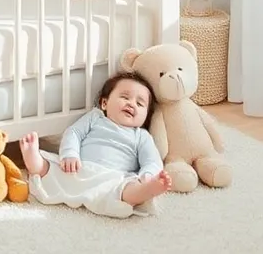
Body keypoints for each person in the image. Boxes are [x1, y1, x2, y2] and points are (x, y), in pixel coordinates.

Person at [18, 72, 173, 218]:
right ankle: (37, 164)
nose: (131, 104)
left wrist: (147, 176)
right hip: (79, 168)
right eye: (125, 97)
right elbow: (74, 133)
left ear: (146, 116)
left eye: (139, 103)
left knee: (126, 190)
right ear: (104, 103)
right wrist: (70, 154)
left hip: (112, 178)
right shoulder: (95, 117)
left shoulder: (141, 136)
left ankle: (147, 190)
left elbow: (152, 161)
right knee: (53, 165)